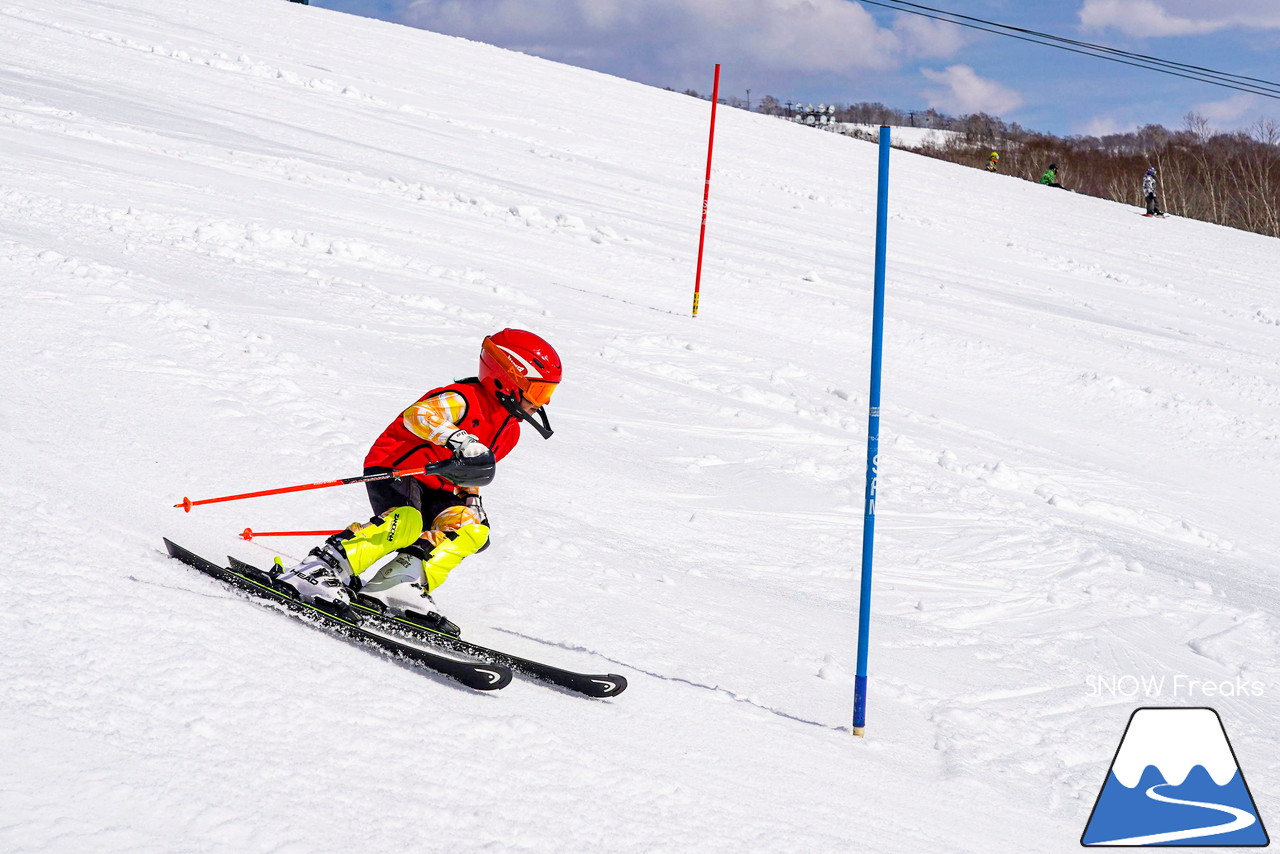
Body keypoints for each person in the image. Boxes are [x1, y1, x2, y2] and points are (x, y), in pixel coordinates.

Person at [271, 328, 562, 630]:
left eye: (548, 393)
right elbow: (419, 415)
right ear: (506, 378)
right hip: (400, 469)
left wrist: (471, 498)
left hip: (441, 486)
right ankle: (319, 569)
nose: (543, 403)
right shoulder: (462, 399)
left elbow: (469, 470)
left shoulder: (510, 431)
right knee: (405, 522)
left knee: (471, 529)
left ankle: (398, 583)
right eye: (539, 392)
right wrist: (458, 438)